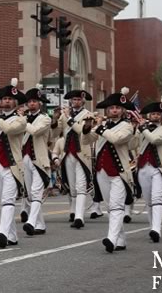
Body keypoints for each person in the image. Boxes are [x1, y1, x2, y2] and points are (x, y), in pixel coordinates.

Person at [83, 87, 135, 253]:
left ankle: (111, 239)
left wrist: (100, 128)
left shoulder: (127, 126)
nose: (114, 110)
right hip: (101, 171)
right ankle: (121, 239)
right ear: (107, 110)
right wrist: (87, 126)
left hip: (119, 172)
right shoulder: (102, 125)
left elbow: (117, 139)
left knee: (116, 206)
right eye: (112, 108)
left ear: (122, 110)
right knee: (110, 206)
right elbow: (86, 141)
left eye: (117, 108)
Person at [0, 78, 27, 248]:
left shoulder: (20, 119)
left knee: (9, 200)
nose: (6, 101)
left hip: (11, 165)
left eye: (9, 99)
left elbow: (10, 129)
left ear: (15, 102)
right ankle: (12, 235)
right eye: (4, 99)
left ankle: (2, 232)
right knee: (3, 201)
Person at [134, 97, 162, 242]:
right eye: (153, 114)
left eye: (158, 114)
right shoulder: (142, 129)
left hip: (159, 168)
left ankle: (156, 229)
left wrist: (142, 129)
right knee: (149, 201)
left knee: (157, 198)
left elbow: (155, 140)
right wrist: (135, 129)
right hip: (143, 168)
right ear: (149, 116)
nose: (155, 116)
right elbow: (133, 145)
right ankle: (153, 227)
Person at [59, 85, 93, 228]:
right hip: (67, 153)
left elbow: (81, 130)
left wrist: (68, 118)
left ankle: (79, 217)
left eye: (79, 99)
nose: (76, 102)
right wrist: (55, 121)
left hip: (82, 153)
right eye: (74, 99)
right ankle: (73, 212)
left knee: (80, 186)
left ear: (83, 101)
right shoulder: (65, 115)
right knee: (72, 186)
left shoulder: (88, 114)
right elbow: (56, 133)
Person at [21, 85, 52, 236]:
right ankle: (40, 224)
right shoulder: (23, 118)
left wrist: (21, 120)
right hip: (24, 159)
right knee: (31, 195)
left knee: (35, 191)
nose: (31, 104)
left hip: (39, 160)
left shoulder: (45, 118)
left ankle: (31, 222)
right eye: (29, 101)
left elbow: (35, 131)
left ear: (40, 103)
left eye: (34, 101)